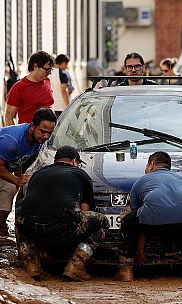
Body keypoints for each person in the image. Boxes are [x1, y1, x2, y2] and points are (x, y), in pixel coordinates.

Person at [117, 151, 182, 282]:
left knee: (127, 221)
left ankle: (125, 270)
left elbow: (138, 220)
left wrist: (141, 253)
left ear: (151, 164)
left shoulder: (140, 182)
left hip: (151, 222)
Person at [16, 145, 110, 281]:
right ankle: (75, 267)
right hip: (63, 227)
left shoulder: (38, 173)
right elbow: (85, 210)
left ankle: (32, 267)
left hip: (30, 227)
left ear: (56, 160)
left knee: (21, 218)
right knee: (103, 222)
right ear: (74, 161)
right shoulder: (80, 174)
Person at [0, 108, 56, 236]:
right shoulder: (11, 141)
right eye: (42, 131)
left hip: (4, 169)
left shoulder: (39, 141)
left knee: (5, 207)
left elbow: (17, 160)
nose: (46, 136)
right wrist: (17, 180)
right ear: (32, 126)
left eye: (49, 133)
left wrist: (19, 179)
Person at [5, 51, 55, 125]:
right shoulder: (19, 87)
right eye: (47, 70)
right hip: (29, 134)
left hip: (50, 133)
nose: (49, 73)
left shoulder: (47, 81)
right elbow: (9, 116)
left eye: (50, 70)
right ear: (35, 67)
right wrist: (16, 135)